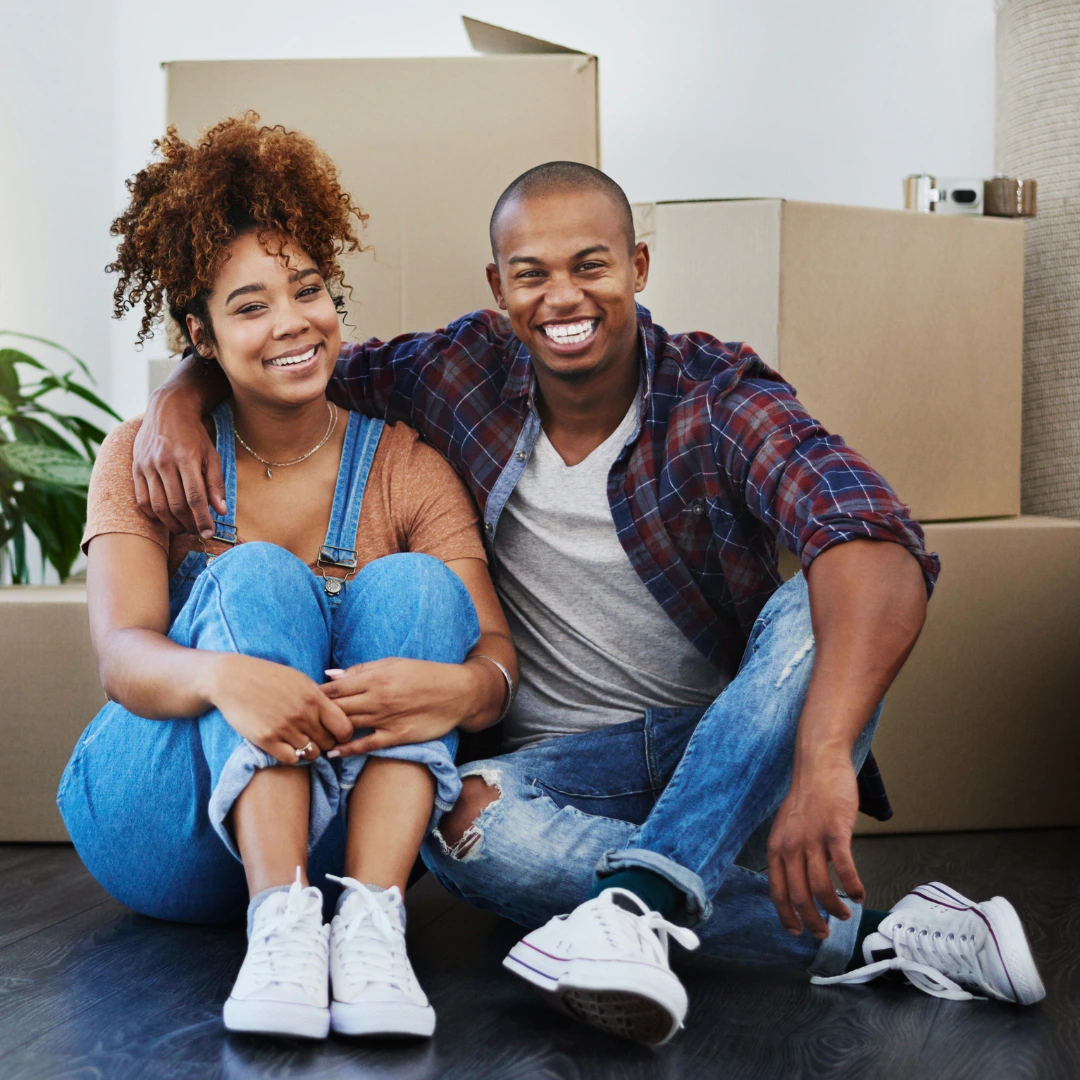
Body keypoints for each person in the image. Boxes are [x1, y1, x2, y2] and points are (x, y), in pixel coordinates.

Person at [135, 160, 1046, 1045]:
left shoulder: (717, 397)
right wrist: (179, 391)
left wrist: (821, 757)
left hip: (735, 750)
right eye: (531, 274)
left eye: (592, 266)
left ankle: (637, 905)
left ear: (638, 267)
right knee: (461, 832)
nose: (561, 297)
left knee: (821, 597)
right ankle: (871, 932)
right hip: (555, 773)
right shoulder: (458, 373)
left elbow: (875, 536)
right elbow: (290, 353)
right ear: (499, 285)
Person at [57, 116, 517, 1042]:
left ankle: (371, 928)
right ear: (202, 333)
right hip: (165, 826)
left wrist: (466, 686)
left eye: (306, 290)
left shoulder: (405, 468)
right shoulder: (144, 457)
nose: (291, 324)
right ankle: (278, 922)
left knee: (421, 592)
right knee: (259, 574)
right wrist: (223, 676)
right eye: (250, 305)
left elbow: (493, 644)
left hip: (352, 834)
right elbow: (120, 657)